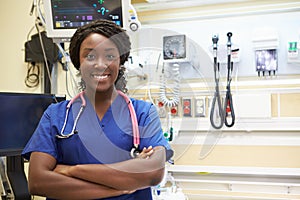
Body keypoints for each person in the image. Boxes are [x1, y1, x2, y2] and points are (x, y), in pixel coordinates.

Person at [22, 19, 173, 200]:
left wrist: (71, 170)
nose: (100, 64)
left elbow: (154, 173)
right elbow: (38, 182)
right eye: (90, 56)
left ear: (121, 61)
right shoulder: (56, 115)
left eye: (109, 56)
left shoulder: (142, 113)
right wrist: (119, 187)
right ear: (78, 61)